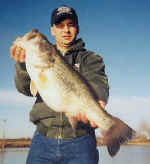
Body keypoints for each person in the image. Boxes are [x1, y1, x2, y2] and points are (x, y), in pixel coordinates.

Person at [10, 5, 109, 164]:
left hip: (81, 141)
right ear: (52, 31)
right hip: (43, 140)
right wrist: (22, 64)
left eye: (70, 25)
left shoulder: (90, 58)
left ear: (77, 28)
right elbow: (25, 89)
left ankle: (112, 129)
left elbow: (98, 81)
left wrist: (98, 100)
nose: (66, 30)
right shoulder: (36, 62)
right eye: (60, 25)